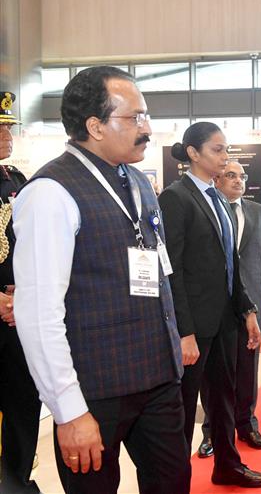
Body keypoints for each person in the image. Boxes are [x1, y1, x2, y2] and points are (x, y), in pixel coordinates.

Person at [12, 67, 190, 493]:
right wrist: (69, 411)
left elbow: (159, 267)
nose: (147, 129)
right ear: (94, 126)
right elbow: (38, 313)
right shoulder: (51, 193)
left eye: (146, 116)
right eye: (135, 119)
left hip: (159, 381)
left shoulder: (138, 182)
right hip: (95, 391)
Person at [159, 122, 261, 488]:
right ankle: (178, 481)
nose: (225, 157)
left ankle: (228, 465)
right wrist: (183, 332)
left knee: (224, 399)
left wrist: (247, 310)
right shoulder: (176, 198)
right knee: (185, 408)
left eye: (226, 150)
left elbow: (229, 263)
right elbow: (170, 270)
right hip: (194, 326)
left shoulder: (219, 197)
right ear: (193, 153)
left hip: (225, 320)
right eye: (218, 150)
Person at [197, 160, 261, 457]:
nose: (238, 181)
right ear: (217, 179)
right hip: (217, 303)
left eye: (242, 176)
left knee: (248, 366)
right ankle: (211, 431)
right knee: (214, 373)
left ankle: (246, 424)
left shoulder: (258, 212)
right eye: (231, 175)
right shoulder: (207, 210)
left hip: (251, 304)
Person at [0, 91, 41, 494]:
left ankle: (16, 480)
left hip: (16, 311)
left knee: (22, 400)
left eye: (9, 127)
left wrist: (23, 288)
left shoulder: (16, 180)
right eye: (0, 128)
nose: (6, 134)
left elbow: (29, 241)